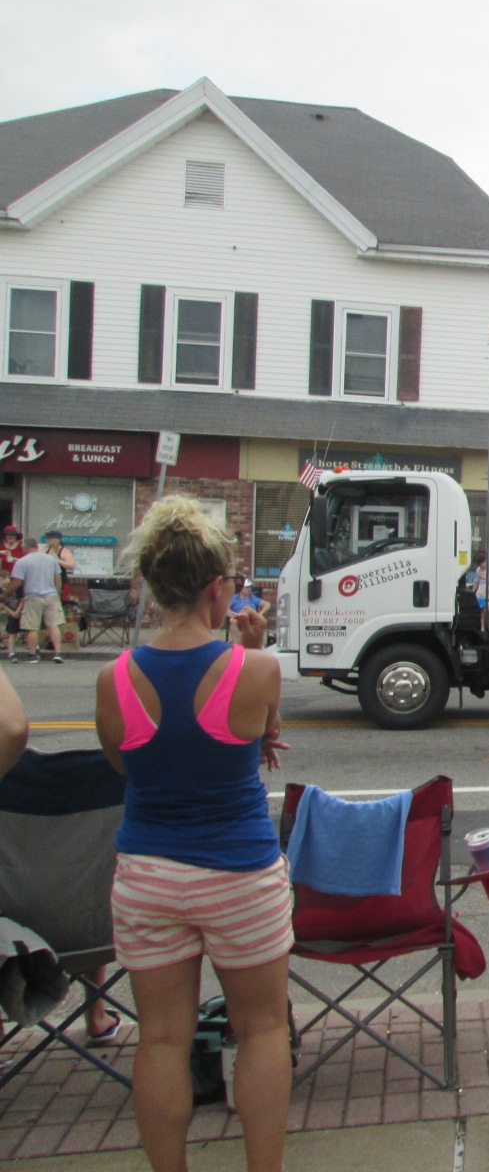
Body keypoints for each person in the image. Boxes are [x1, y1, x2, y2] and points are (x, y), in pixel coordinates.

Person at [93, 494, 293, 1171]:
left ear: (152, 586)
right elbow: (263, 735)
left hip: (148, 873)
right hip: (239, 871)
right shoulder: (258, 668)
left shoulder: (111, 677)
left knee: (160, 1041)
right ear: (217, 588)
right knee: (263, 1030)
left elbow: (129, 764)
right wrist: (252, 646)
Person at [5, 538, 66, 663]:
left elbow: (16, 583)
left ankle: (33, 655)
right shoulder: (50, 559)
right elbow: (58, 578)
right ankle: (58, 653)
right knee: (53, 625)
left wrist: (5, 594)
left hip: (33, 596)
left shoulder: (22, 561)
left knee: (32, 627)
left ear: (25, 548)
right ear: (37, 547)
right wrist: (57, 592)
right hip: (51, 595)